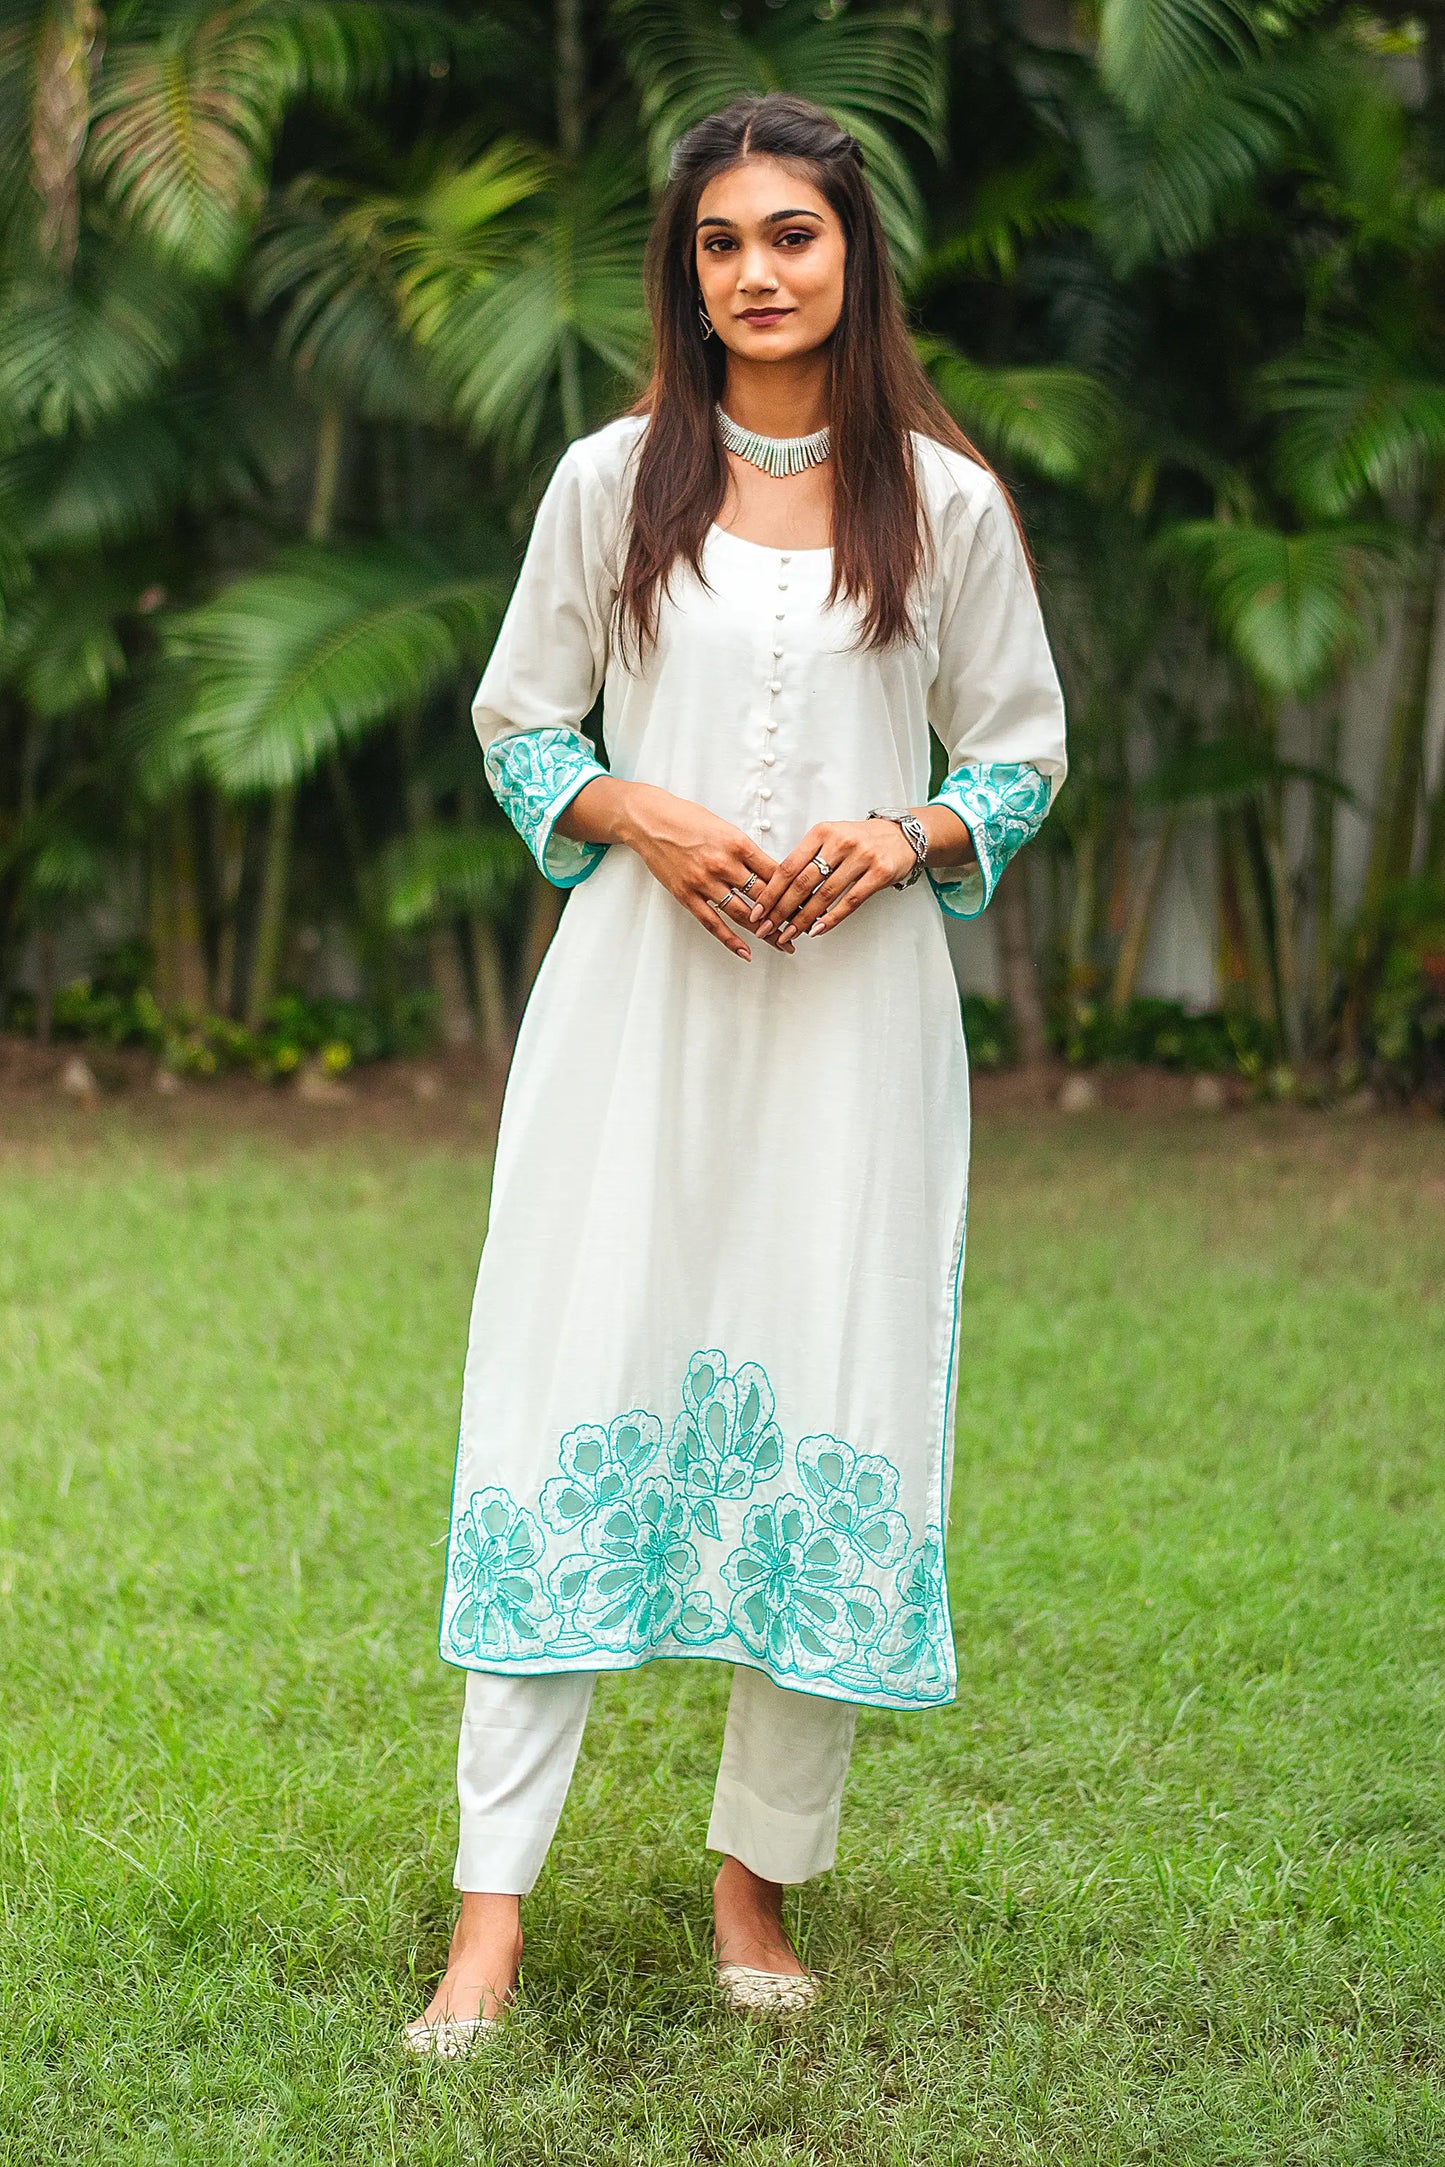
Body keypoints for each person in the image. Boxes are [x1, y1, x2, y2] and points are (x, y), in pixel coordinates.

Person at [405, 91, 1067, 2055]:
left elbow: (1018, 751)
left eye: (793, 235)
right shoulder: (614, 482)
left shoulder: (944, 504)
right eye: (721, 243)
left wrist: (911, 839)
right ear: (682, 273)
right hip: (636, 1018)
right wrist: (654, 820)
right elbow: (522, 719)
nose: (758, 272)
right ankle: (487, 1921)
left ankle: (752, 1885)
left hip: (856, 1033)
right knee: (565, 1389)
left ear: (853, 257)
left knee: (832, 1397)